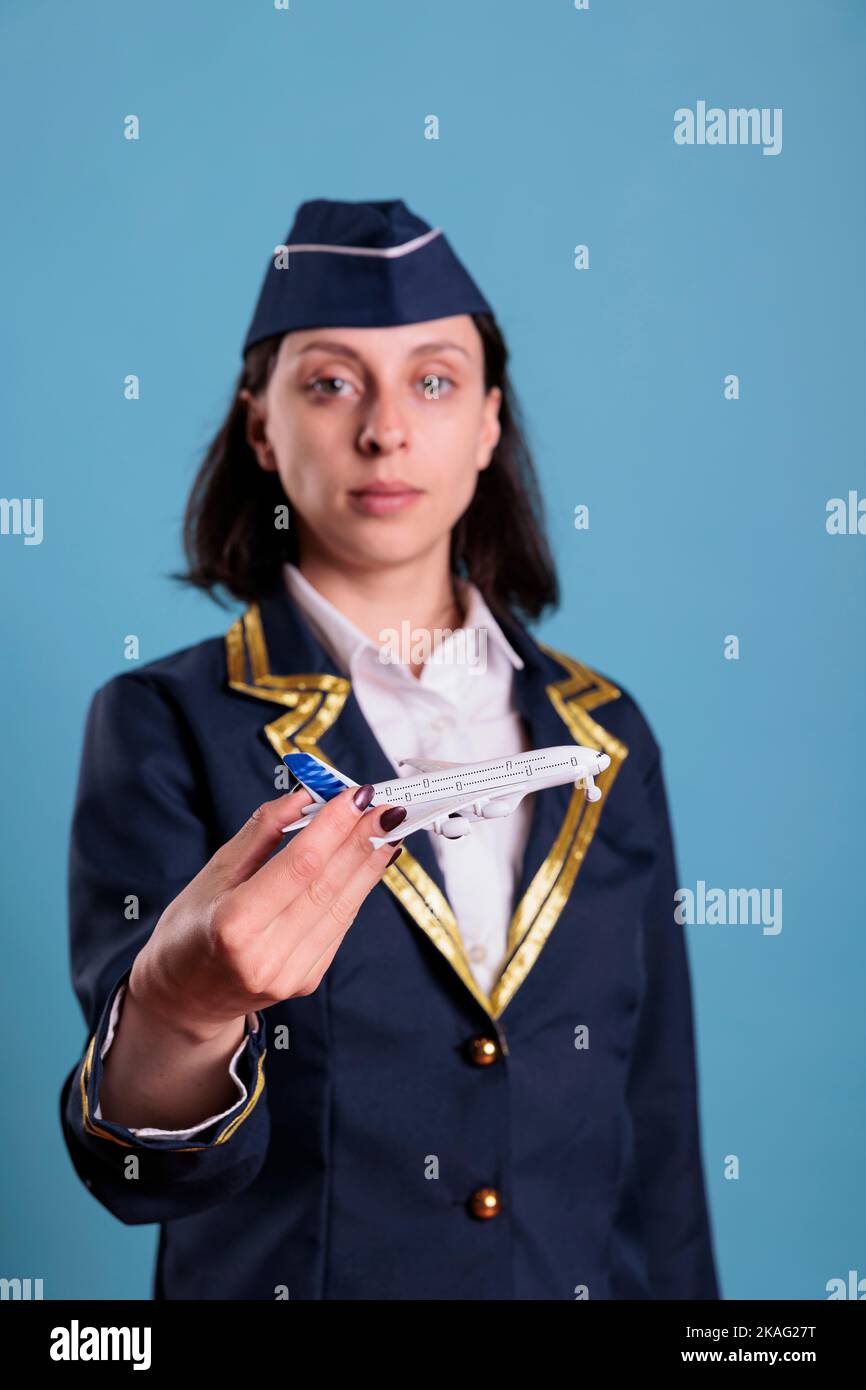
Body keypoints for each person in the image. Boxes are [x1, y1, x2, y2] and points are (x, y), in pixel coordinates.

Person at [60, 197, 721, 1300]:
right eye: (328, 382)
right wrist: (186, 1008)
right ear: (261, 427)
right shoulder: (163, 722)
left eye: (432, 380)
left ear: (488, 423)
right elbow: (140, 1168)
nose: (384, 430)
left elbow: (655, 1129)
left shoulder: (606, 734)